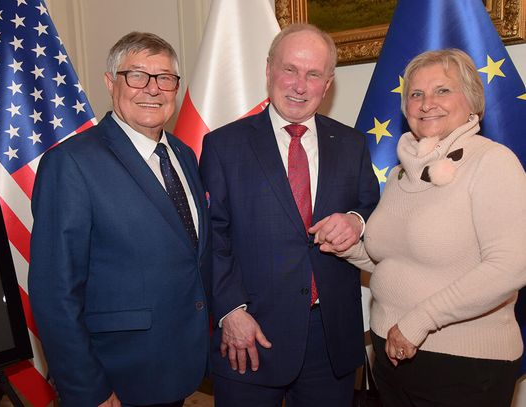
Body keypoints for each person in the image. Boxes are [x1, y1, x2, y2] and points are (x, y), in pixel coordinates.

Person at [313, 48, 526, 407]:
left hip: (464, 367)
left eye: (443, 90)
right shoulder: (402, 173)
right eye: (416, 94)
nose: (427, 103)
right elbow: (396, 261)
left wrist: (419, 321)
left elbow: (511, 266)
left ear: (472, 101)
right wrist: (348, 248)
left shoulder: (492, 163)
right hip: (392, 359)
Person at [199, 23, 380, 406]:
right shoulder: (223, 145)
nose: (300, 85)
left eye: (313, 74)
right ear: (269, 71)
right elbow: (213, 238)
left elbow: (371, 207)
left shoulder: (352, 144)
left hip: (330, 339)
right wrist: (231, 311)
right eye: (290, 69)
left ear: (327, 83)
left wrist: (356, 220)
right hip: (249, 334)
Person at [28, 32, 211, 407]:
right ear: (111, 82)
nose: (153, 89)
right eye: (137, 75)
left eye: (165, 78)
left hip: (178, 366)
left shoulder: (183, 154)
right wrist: (87, 389)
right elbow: (55, 293)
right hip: (116, 377)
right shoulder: (71, 163)